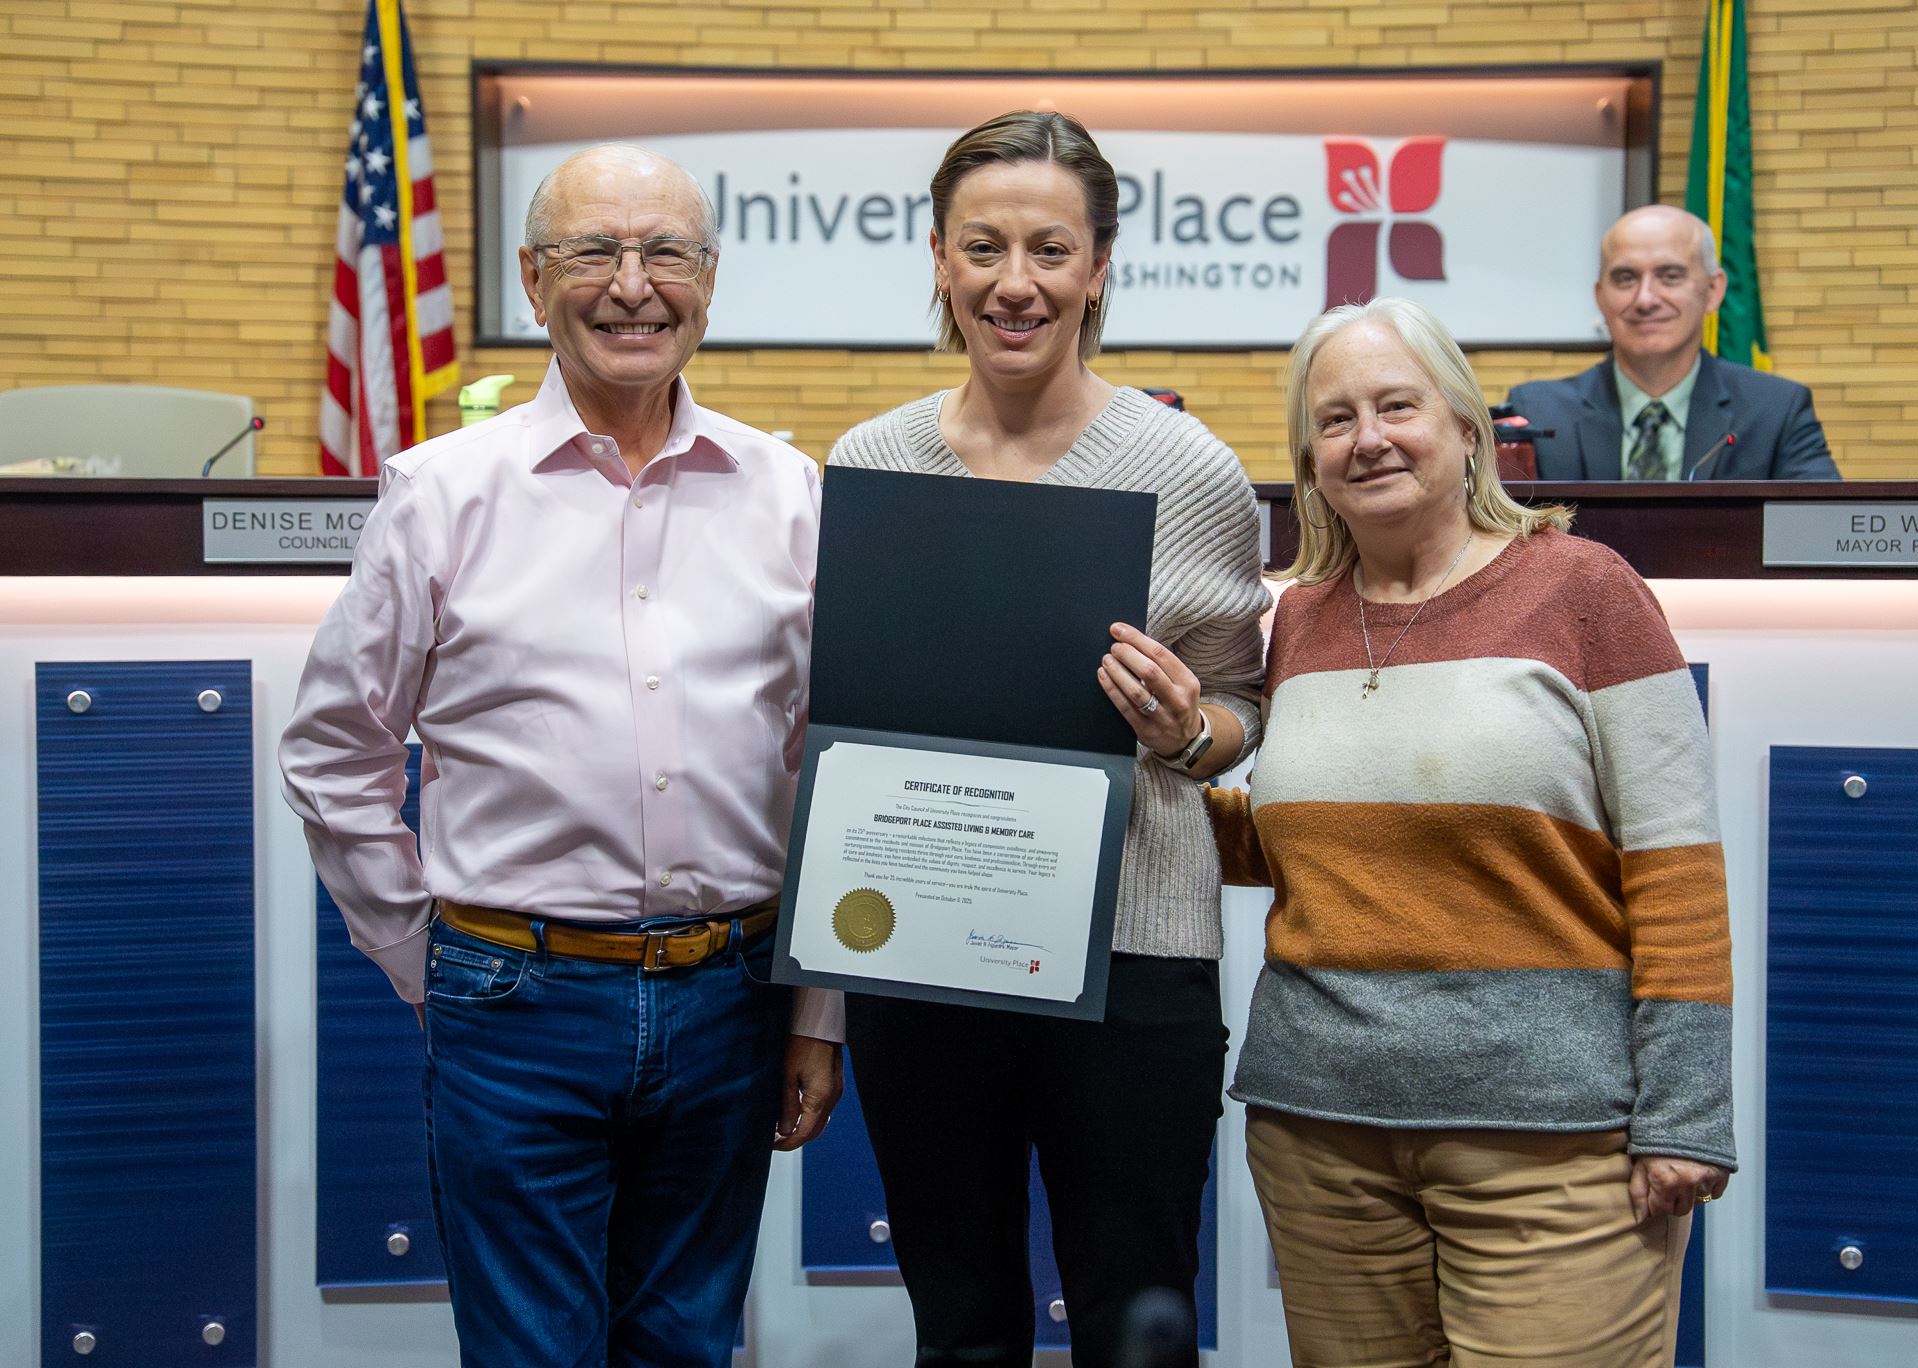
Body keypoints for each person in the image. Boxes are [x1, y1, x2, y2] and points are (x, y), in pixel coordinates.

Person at [279, 144, 843, 1368]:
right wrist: (427, 957)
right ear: (535, 283)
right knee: (532, 1352)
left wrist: (818, 1008)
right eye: (594, 251)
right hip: (512, 1002)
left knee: (690, 1344)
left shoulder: (788, 493)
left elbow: (824, 765)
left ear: (709, 282)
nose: (631, 285)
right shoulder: (441, 495)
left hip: (731, 1002)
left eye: (666, 254)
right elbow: (335, 750)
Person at [1211, 297, 1736, 1368]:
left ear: (1463, 430)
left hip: (1554, 1140)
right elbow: (1309, 848)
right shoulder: (1297, 619)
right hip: (1319, 1133)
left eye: (1396, 405)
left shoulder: (1584, 591)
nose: (1367, 438)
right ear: (1308, 462)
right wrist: (1140, 775)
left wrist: (1685, 1113)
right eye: (1335, 419)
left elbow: (1673, 867)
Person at [828, 110, 1268, 1368]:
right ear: (936, 260)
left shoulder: (1187, 468)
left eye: (1047, 250)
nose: (1013, 283)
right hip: (923, 948)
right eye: (981, 248)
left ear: (1097, 268)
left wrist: (1189, 728)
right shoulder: (872, 464)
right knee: (957, 1319)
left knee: (1137, 1318)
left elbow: (1248, 709)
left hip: (1131, 958)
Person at [1505, 204, 1838, 480]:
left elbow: (1821, 533)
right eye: (1625, 278)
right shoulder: (1537, 412)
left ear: (1713, 291)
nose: (1645, 299)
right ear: (1600, 297)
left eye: (1670, 276)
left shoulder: (1777, 411)